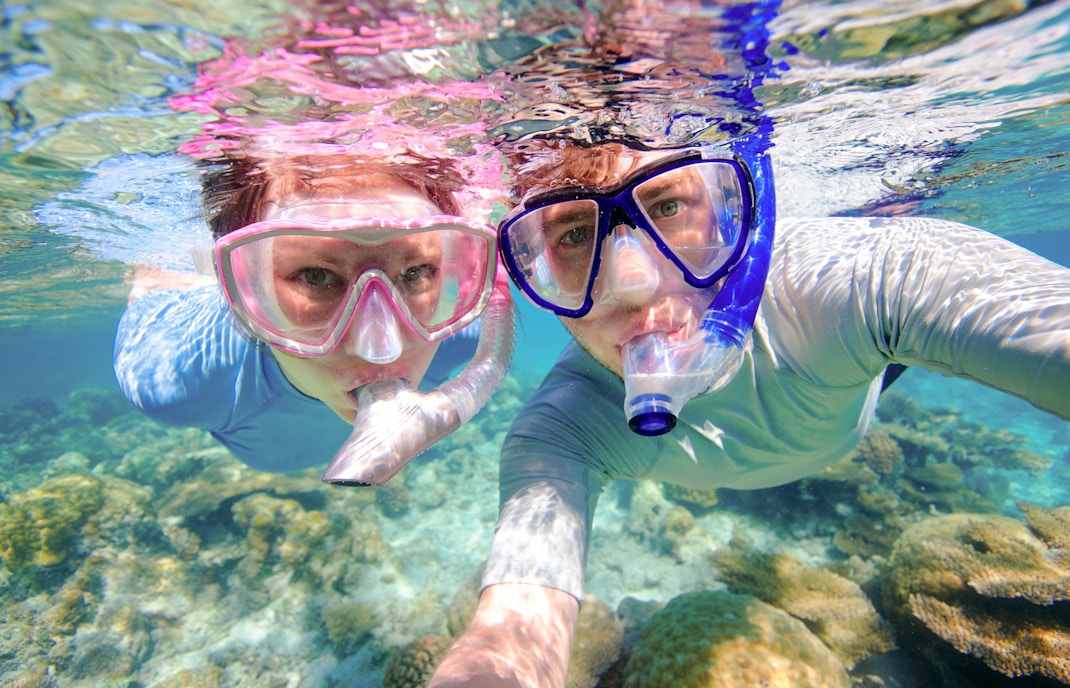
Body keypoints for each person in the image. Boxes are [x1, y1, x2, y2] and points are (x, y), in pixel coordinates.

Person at [428, 8, 1070, 688]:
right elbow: (512, 631)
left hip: (859, 369)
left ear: (736, 207)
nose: (633, 284)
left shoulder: (855, 285)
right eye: (573, 235)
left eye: (670, 206)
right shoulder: (560, 433)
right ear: (529, 266)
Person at [113, 3, 516, 484]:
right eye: (317, 275)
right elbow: (151, 296)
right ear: (237, 287)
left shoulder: (458, 332)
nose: (383, 349)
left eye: (415, 273)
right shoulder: (179, 378)